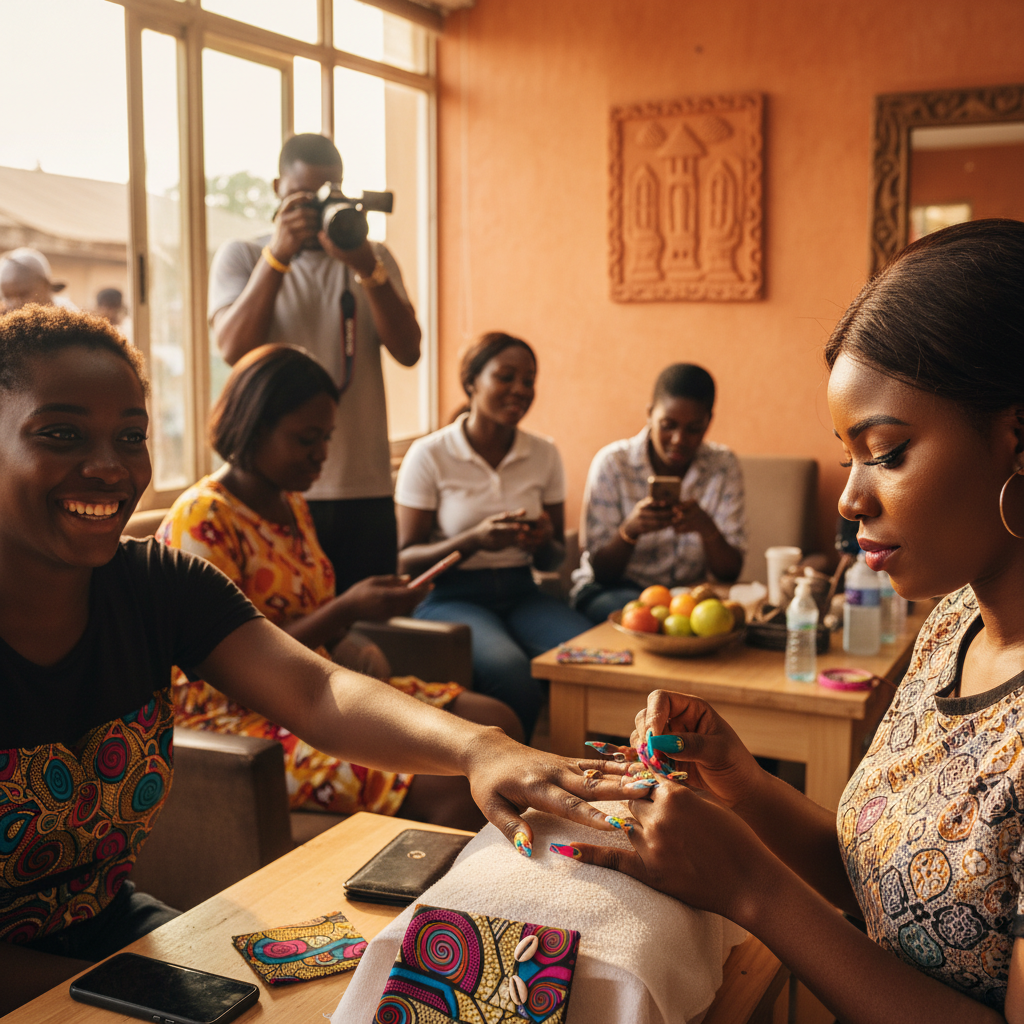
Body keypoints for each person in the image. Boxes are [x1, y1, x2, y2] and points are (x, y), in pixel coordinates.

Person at [0, 306, 629, 1013]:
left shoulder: (156, 584)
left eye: (131, 436)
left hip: (107, 924)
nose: (110, 465)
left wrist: (483, 749)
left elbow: (318, 690)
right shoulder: (203, 520)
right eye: (60, 433)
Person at [562, 220, 1024, 1023]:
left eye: (885, 452)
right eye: (847, 458)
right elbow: (893, 887)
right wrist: (744, 787)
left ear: (1018, 439)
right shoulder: (953, 626)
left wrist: (750, 887)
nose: (849, 500)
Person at [158, 343, 522, 826]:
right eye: (307, 439)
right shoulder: (203, 518)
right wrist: (347, 609)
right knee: (457, 784)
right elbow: (231, 664)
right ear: (253, 427)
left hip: (315, 691)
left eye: (327, 438)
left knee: (498, 720)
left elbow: (310, 626)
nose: (322, 455)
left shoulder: (292, 504)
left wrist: (366, 609)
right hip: (236, 717)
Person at [207, 133, 421, 593]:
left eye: (331, 193)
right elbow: (232, 349)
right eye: (304, 197)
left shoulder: (372, 259)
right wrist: (278, 256)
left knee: (368, 631)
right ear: (276, 190)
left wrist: (367, 266)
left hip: (365, 484)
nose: (317, 209)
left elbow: (408, 351)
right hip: (273, 486)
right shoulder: (244, 255)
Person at [395, 332, 592, 740]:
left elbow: (553, 560)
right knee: (511, 673)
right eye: (506, 377)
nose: (520, 390)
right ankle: (514, 782)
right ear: (471, 382)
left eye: (528, 380)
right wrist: (473, 540)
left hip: (523, 592)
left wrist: (542, 542)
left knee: (592, 660)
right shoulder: (430, 454)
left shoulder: (543, 453)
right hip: (450, 596)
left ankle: (592, 771)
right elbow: (406, 559)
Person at [570, 363, 746, 623]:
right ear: (650, 414)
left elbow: (730, 573)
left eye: (694, 428)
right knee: (644, 619)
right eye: (668, 425)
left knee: (731, 622)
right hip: (611, 591)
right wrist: (630, 531)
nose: (679, 439)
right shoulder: (613, 463)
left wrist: (707, 529)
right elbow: (601, 572)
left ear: (709, 421)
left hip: (685, 599)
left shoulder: (723, 466)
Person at [0, 247, 73, 313]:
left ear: (44, 286)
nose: (14, 305)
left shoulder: (69, 320)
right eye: (7, 297)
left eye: (23, 295)